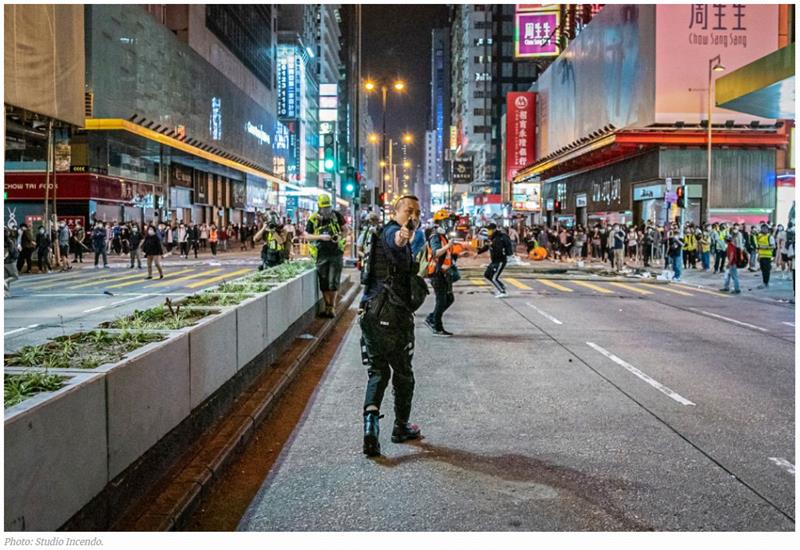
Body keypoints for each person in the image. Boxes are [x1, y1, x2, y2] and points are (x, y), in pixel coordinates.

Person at [359, 195, 422, 457]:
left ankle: (370, 428)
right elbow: (398, 239)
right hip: (392, 318)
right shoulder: (394, 233)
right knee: (403, 374)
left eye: (417, 211)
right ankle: (400, 427)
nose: (413, 215)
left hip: (370, 313)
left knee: (378, 372)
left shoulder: (381, 234)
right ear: (396, 211)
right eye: (408, 210)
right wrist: (405, 232)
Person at [306, 194, 347, 318]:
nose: (326, 210)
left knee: (333, 281)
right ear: (318, 206)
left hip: (336, 253)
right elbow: (307, 236)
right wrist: (321, 237)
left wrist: (339, 237)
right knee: (323, 282)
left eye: (328, 207)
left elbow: (346, 230)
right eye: (323, 207)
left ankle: (332, 307)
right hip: (321, 254)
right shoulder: (313, 219)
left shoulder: (337, 216)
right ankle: (327, 305)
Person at [424, 209, 459, 337]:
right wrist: (448, 246)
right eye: (447, 221)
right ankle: (437, 326)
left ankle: (432, 318)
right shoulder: (435, 236)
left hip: (444, 273)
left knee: (449, 298)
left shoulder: (443, 236)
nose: (449, 224)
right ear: (439, 222)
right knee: (441, 300)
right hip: (437, 273)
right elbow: (435, 253)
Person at [477, 222, 513, 297]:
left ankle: (503, 292)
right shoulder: (492, 238)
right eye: (488, 229)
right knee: (487, 275)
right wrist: (478, 252)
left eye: (490, 229)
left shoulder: (499, 238)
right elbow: (487, 246)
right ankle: (502, 286)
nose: (488, 231)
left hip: (500, 261)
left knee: (494, 278)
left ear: (494, 229)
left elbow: (498, 249)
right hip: (494, 261)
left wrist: (492, 245)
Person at [720, 223, 744, 294]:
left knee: (734, 276)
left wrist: (729, 263)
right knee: (728, 276)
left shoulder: (730, 246)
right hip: (732, 263)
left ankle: (737, 289)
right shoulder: (731, 245)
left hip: (732, 263)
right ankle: (726, 287)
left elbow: (731, 255)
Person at [755, 223, 776, 289]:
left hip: (767, 256)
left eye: (765, 228)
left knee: (766, 271)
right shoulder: (760, 236)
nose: (764, 230)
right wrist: (758, 255)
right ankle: (764, 282)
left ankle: (766, 283)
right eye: (762, 228)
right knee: (763, 270)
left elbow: (773, 246)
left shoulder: (770, 237)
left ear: (767, 229)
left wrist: (765, 247)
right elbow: (759, 247)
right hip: (761, 256)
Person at [5, 227, 20, 296]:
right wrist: (15, 256)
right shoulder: (8, 241)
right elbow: (12, 251)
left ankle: (6, 293)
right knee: (15, 276)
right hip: (10, 261)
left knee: (6, 277)